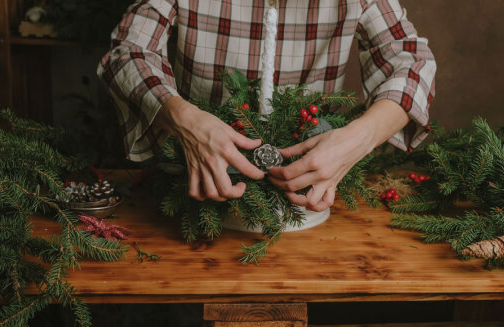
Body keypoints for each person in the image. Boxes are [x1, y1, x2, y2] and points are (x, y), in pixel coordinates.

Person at [98, 0, 436, 212]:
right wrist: (183, 119)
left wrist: (359, 137)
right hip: (196, 191)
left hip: (310, 196)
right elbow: (128, 51)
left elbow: (412, 61)